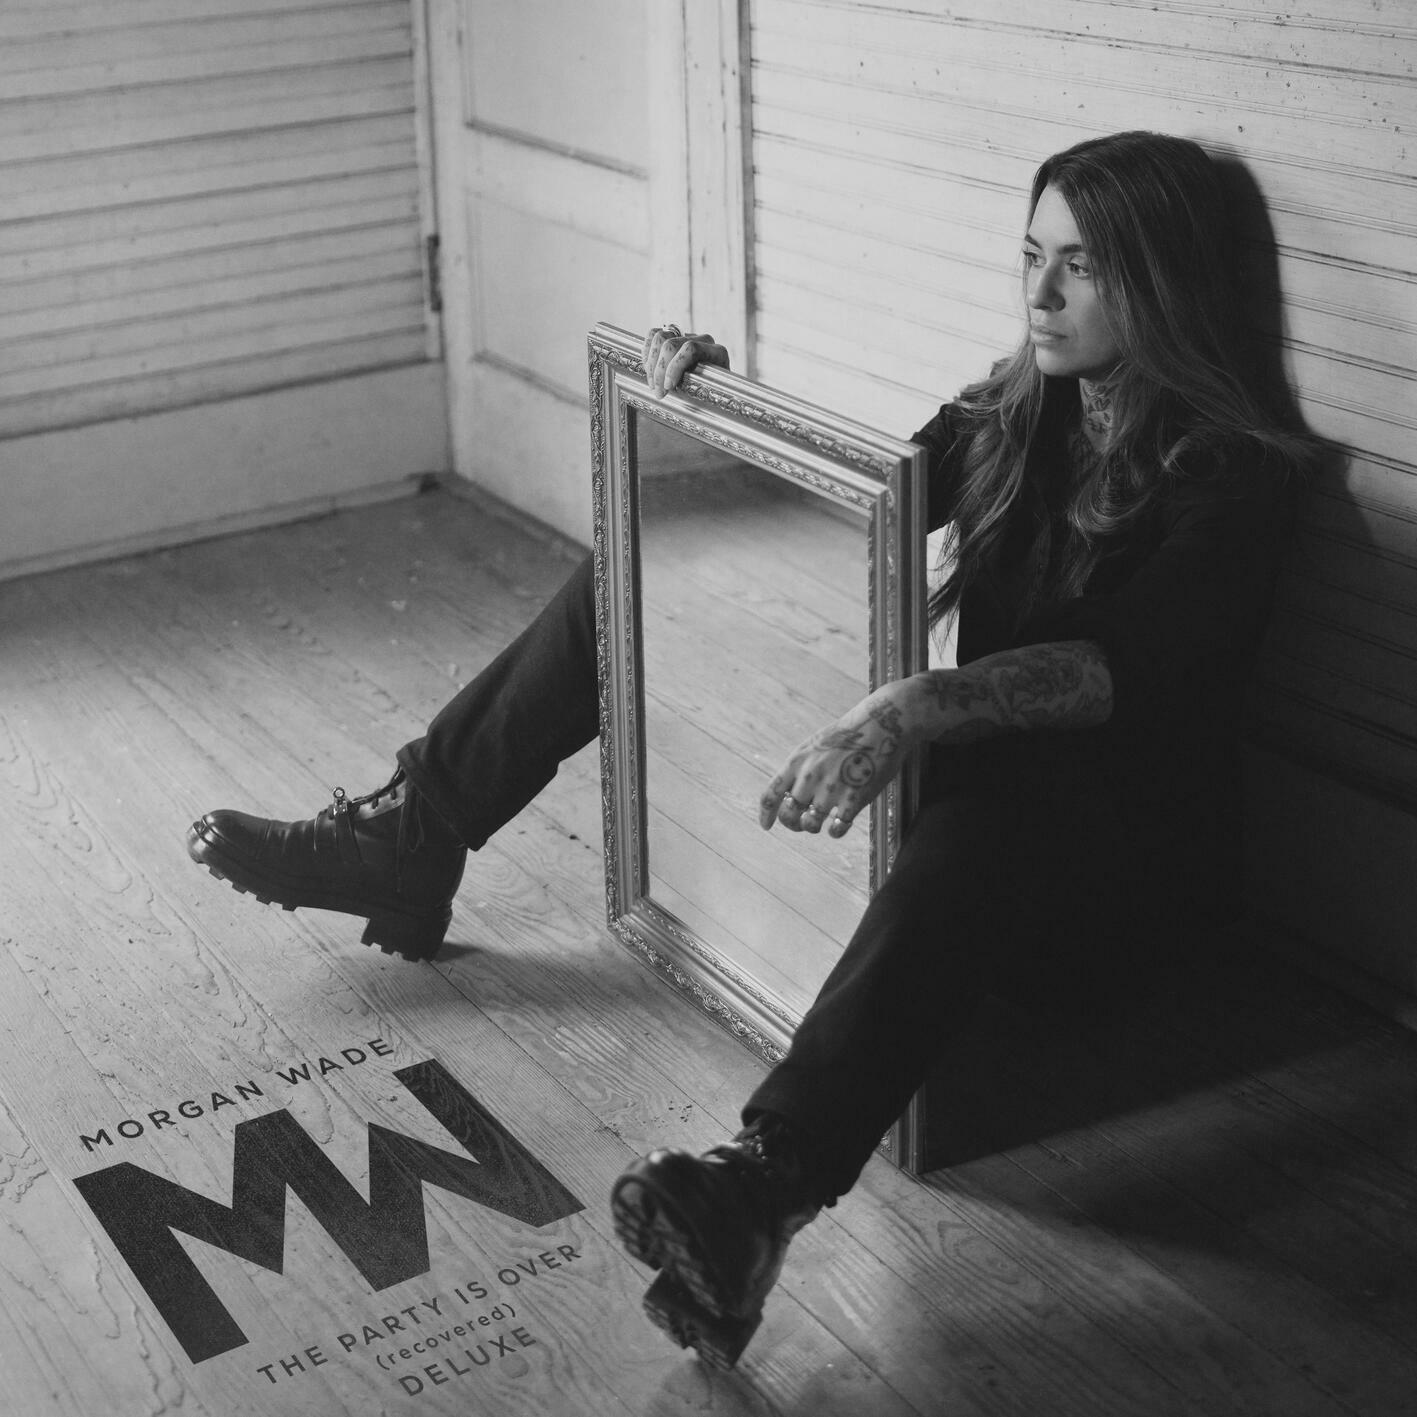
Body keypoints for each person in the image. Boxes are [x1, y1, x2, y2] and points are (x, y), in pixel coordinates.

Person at [187, 131, 1318, 1369]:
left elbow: (1113, 668)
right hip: (980, 830)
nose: (1039, 294)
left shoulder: (1238, 476)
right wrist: (710, 423)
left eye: (1082, 267)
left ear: (1158, 281)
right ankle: (421, 827)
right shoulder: (1016, 412)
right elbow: (846, 504)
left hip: (1120, 887)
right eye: (1029, 255)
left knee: (1001, 802)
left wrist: (909, 704)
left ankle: (761, 1188)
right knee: (625, 575)